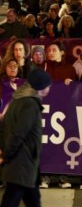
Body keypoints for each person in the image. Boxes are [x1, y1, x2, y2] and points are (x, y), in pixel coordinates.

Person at [0, 69, 52, 207]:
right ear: (40, 86)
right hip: (22, 161)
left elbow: (4, 125)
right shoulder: (30, 103)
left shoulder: (17, 99)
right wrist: (8, 154)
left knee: (32, 199)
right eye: (48, 85)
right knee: (12, 200)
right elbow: (19, 132)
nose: (49, 88)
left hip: (26, 163)